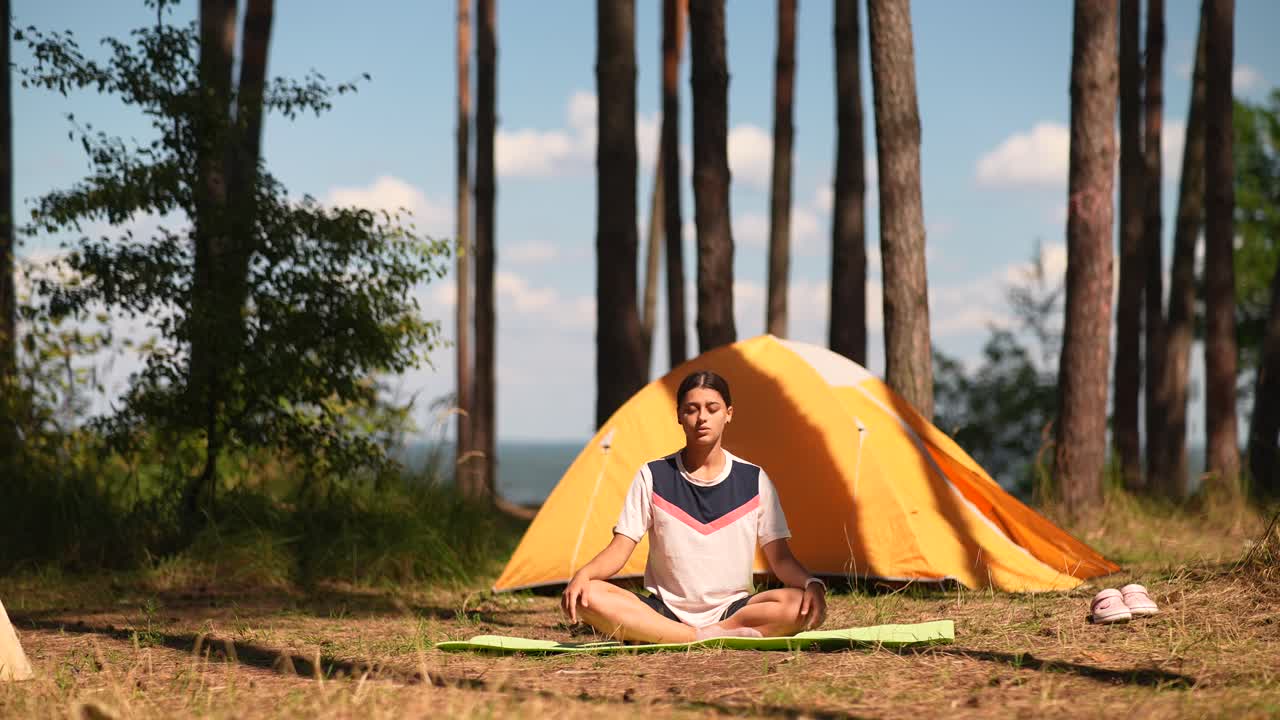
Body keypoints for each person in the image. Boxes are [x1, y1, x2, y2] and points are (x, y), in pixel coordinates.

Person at [560, 370, 828, 642]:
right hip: (663, 611)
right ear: (679, 415)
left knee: (798, 604)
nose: (702, 418)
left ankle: (682, 634)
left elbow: (781, 559)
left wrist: (812, 583)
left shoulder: (753, 479)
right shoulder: (653, 475)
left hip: (734, 610)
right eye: (691, 409)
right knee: (588, 595)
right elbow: (620, 549)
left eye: (712, 409)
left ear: (729, 414)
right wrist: (584, 575)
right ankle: (699, 635)